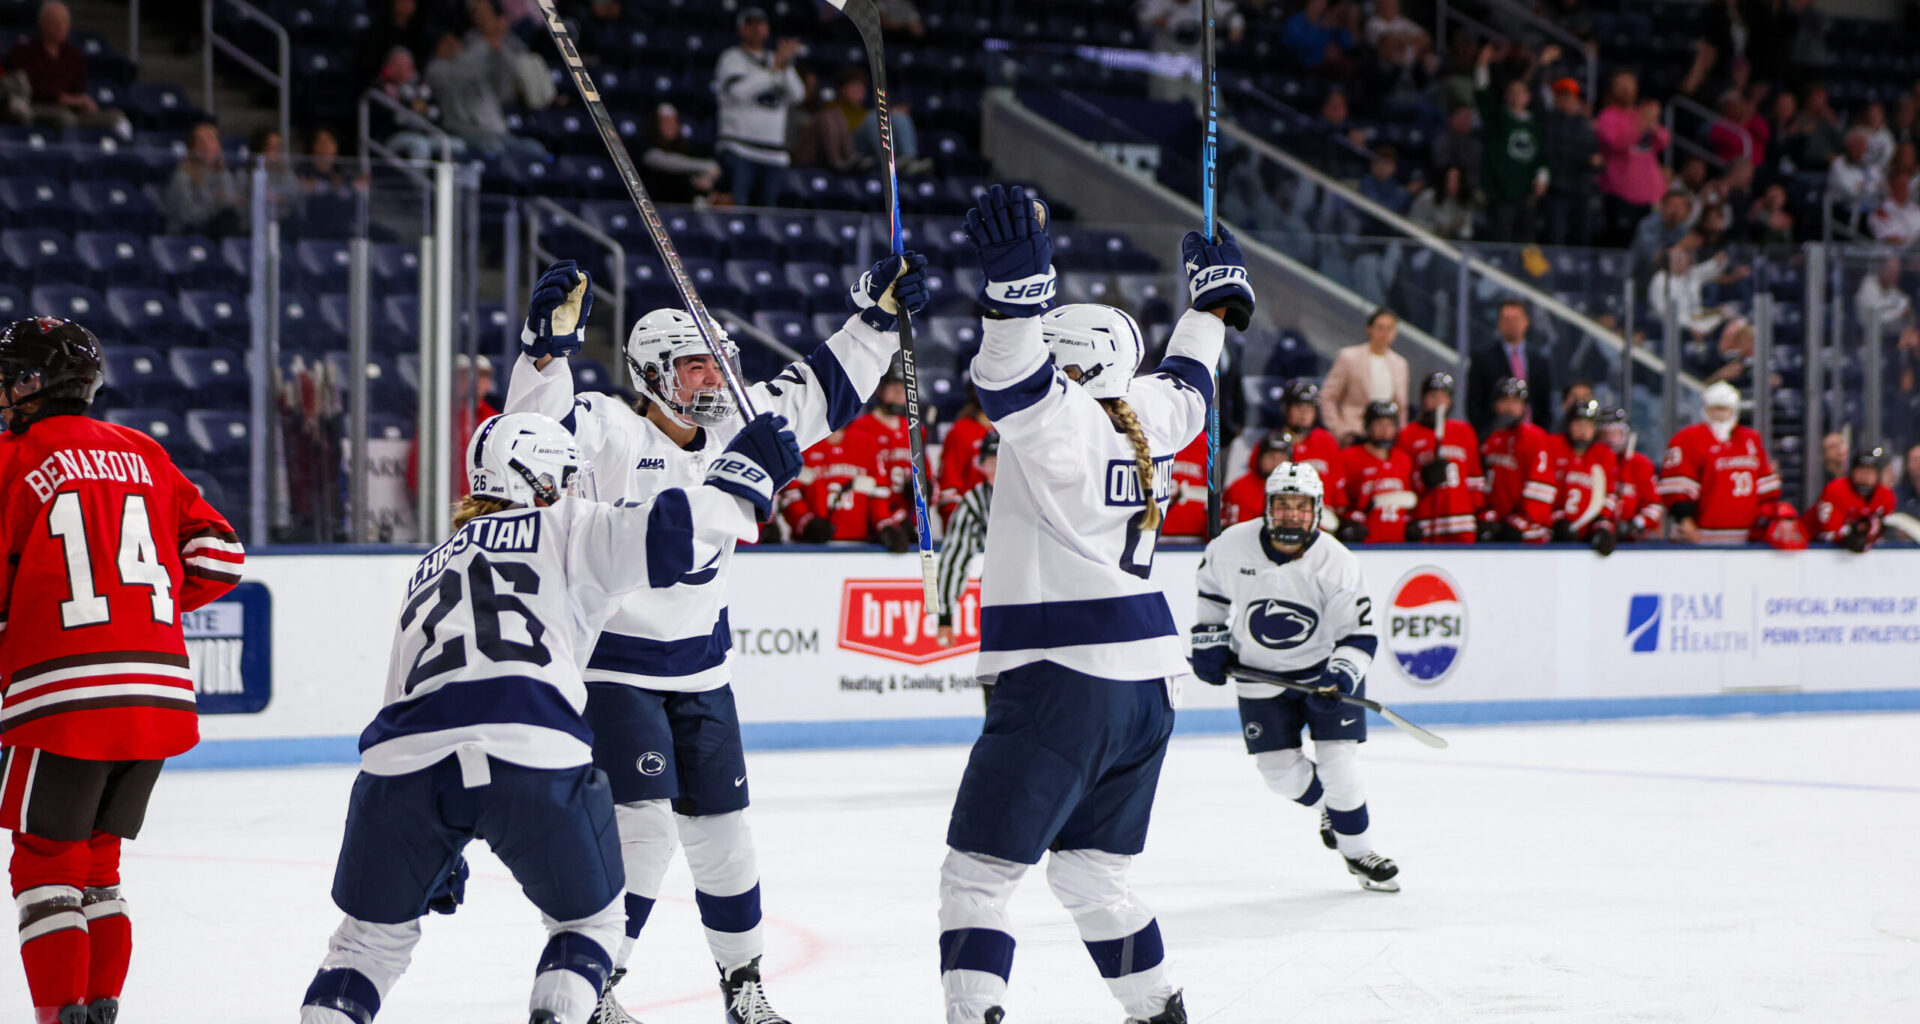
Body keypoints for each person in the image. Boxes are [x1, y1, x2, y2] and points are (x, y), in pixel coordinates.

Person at [504, 249, 928, 1024]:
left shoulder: (738, 423)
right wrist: (544, 356)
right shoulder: (606, 427)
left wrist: (875, 320)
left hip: (703, 669)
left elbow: (824, 389)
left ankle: (744, 986)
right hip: (615, 670)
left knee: (725, 836)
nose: (714, 378)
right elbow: (533, 434)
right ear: (650, 374)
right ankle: (596, 985)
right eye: (695, 365)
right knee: (641, 832)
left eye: (719, 361)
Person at [297, 411, 800, 1024]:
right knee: (591, 925)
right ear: (537, 481)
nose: (573, 488)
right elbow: (673, 529)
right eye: (565, 477)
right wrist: (743, 474)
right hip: (529, 747)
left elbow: (400, 691)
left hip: (402, 767)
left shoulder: (428, 566)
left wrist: (435, 827)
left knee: (364, 946)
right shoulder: (568, 526)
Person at [936, 184, 1253, 1024]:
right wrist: (1211, 303)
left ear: (1071, 367)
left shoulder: (1062, 424)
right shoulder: (1156, 415)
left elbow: (1009, 374)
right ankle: (1160, 1012)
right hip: (1146, 688)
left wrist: (1015, 292)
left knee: (977, 879)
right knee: (1091, 875)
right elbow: (1191, 375)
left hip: (1061, 679)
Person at [0, 317, 244, 1024]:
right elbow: (222, 557)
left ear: (34, 385)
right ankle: (100, 1010)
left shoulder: (14, 457)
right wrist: (139, 609)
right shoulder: (144, 451)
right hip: (157, 691)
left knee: (46, 864)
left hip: (62, 693)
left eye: (9, 379)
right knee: (98, 864)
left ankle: (59, 1015)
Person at [1189, 463, 1398, 891]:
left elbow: (1359, 635)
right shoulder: (1231, 545)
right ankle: (1332, 810)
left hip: (1323, 674)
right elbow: (1211, 593)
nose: (1291, 515)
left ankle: (1359, 854)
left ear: (1317, 510)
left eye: (1301, 507)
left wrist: (1340, 678)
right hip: (1258, 674)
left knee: (1340, 767)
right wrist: (1209, 640)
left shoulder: (1336, 562)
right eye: (1283, 505)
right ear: (1268, 507)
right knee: (1279, 774)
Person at [1659, 381, 1784, 545]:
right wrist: (1685, 521)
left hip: (1746, 537)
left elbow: (1766, 490)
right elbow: (1676, 486)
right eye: (1715, 409)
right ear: (1705, 409)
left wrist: (1766, 520)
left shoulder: (1751, 439)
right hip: (1699, 536)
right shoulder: (1687, 439)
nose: (1719, 414)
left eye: (1724, 409)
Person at [714, 8, 804, 208]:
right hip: (740, 149)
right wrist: (774, 70)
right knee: (736, 213)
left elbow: (798, 95)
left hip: (774, 154)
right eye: (751, 24)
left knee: (767, 217)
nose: (756, 29)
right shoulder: (732, 58)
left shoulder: (776, 60)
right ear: (741, 29)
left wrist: (785, 65)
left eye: (761, 24)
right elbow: (739, 92)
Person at [4, 2, 130, 136]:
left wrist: (83, 104)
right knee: (64, 117)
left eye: (65, 22)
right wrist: (65, 99)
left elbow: (79, 89)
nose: (61, 26)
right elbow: (30, 88)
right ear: (43, 24)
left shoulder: (74, 56)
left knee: (116, 117)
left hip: (72, 111)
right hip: (37, 107)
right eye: (56, 22)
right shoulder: (25, 52)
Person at [424, 31, 546, 161]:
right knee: (494, 149)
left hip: (497, 132)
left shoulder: (474, 66)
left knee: (534, 148)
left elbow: (504, 85)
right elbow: (463, 74)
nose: (456, 45)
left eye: (456, 42)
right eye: (449, 43)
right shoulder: (436, 69)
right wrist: (484, 45)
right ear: (439, 46)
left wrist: (499, 52)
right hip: (466, 130)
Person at [933, 430, 997, 671]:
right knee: (997, 668)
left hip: (1044, 594)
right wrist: (945, 616)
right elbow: (954, 558)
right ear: (981, 466)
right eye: (991, 462)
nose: (997, 469)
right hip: (1005, 595)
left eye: (1002, 461)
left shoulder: (1034, 492)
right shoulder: (975, 502)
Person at [1397, 371, 1483, 543]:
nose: (1438, 402)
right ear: (1423, 399)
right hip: (1426, 519)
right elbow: (1403, 479)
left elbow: (1474, 477)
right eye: (1433, 396)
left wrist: (1480, 513)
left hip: (1461, 520)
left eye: (1444, 396)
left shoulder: (1465, 431)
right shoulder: (1407, 435)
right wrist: (1422, 480)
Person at [1474, 52, 1547, 243]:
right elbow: (1483, 96)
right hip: (1501, 192)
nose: (1516, 96)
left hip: (1525, 192)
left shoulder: (1534, 125)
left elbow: (1541, 156)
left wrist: (1542, 177)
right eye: (1512, 91)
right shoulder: (1498, 119)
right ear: (1506, 95)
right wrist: (1482, 66)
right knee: (1502, 238)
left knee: (1526, 239)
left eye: (1520, 92)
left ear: (1528, 97)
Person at [777, 421, 889, 543]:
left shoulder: (867, 442)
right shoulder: (802, 442)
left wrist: (884, 526)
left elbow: (878, 493)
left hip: (857, 541)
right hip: (810, 543)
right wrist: (806, 522)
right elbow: (789, 492)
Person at [1594, 71, 1669, 246]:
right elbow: (1615, 143)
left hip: (1650, 192)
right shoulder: (1608, 116)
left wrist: (1653, 124)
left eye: (1630, 84)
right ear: (1612, 89)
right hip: (1621, 192)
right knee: (1621, 243)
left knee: (1648, 244)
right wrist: (1642, 123)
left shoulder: (1641, 113)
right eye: (1621, 85)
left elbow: (1663, 141)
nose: (1626, 89)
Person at [845, 371, 916, 552]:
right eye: (893, 388)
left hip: (908, 523)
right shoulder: (861, 429)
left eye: (903, 389)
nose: (899, 394)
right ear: (879, 390)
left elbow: (928, 476)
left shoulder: (915, 430)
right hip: (873, 525)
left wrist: (925, 489)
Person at [1478, 377, 1555, 542]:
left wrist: (1520, 522)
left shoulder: (1534, 437)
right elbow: (1486, 486)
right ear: (1495, 405)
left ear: (1524, 407)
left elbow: (1541, 487)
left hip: (1529, 534)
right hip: (1499, 528)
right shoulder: (1490, 440)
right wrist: (1488, 518)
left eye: (1515, 402)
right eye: (1504, 400)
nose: (1509, 407)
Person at [1318, 308, 1409, 445]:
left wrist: (1398, 434)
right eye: (1380, 327)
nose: (1385, 333)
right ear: (1369, 329)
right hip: (1354, 433)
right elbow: (1327, 396)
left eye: (1389, 328)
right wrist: (1339, 430)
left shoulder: (1400, 364)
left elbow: (1401, 407)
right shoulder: (1349, 357)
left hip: (1386, 438)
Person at [1467, 299, 1553, 435]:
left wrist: (1539, 435)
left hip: (1531, 437)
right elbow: (1474, 405)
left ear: (1526, 322)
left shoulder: (1539, 362)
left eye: (1515, 319)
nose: (1511, 324)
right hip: (1494, 437)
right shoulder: (1482, 359)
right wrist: (1488, 435)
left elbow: (1544, 406)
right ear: (1499, 323)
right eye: (1506, 319)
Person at [1336, 400, 1415, 544]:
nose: (1385, 430)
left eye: (1389, 425)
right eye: (1379, 424)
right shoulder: (1349, 457)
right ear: (1367, 426)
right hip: (1364, 542)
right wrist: (1349, 521)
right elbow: (1340, 502)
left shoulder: (1403, 459)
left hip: (1399, 543)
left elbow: (1410, 500)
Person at [1547, 399, 1619, 554]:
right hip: (1553, 530)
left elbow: (1609, 494)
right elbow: (1545, 491)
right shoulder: (1553, 447)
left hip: (1587, 530)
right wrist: (1557, 520)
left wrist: (1601, 524)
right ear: (1568, 425)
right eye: (1578, 423)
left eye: (1588, 424)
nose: (1583, 430)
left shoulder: (1604, 455)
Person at [1279, 379, 1348, 526]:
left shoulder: (1326, 441)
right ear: (1286, 409)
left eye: (1309, 408)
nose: (1304, 413)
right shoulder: (1273, 445)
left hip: (1324, 521)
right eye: (1298, 407)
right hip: (1287, 520)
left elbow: (1339, 488)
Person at [164, 121, 247, 238]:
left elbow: (231, 202)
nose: (208, 146)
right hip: (189, 233)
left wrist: (237, 203)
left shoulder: (223, 173)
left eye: (212, 140)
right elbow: (187, 216)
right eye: (202, 142)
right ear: (193, 148)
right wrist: (216, 203)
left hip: (220, 229)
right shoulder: (183, 177)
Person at [1804, 446, 1895, 551]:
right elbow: (1830, 530)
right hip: (1812, 545)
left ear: (1878, 475)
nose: (1865, 476)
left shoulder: (1885, 495)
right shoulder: (1835, 489)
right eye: (1861, 470)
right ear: (1852, 472)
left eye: (1870, 471)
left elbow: (1886, 529)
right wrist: (1852, 534)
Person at [1599, 407, 1663, 541]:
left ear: (1625, 435)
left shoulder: (1640, 464)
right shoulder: (1593, 461)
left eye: (1615, 434)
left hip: (1633, 542)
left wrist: (1635, 524)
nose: (1610, 440)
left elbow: (1654, 507)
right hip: (1598, 536)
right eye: (1605, 434)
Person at [639, 103, 721, 206]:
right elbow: (664, 161)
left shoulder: (683, 147)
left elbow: (712, 168)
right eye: (666, 122)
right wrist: (704, 166)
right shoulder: (645, 144)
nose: (671, 126)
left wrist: (701, 179)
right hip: (656, 204)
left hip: (684, 205)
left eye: (674, 121)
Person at [936, 390, 992, 520]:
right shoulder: (961, 431)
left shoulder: (1010, 431)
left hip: (1003, 518)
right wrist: (959, 519)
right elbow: (949, 485)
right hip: (971, 521)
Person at [1224, 429, 1295, 526]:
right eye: (1271, 457)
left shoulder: (1299, 490)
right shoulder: (1239, 488)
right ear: (1260, 458)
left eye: (1282, 458)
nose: (1276, 463)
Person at [1409, 164, 1475, 239]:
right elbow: (1413, 224)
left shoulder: (1465, 202)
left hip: (1451, 243)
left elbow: (1467, 232)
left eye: (1457, 181)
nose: (1453, 185)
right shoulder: (1428, 197)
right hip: (1426, 241)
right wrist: (1436, 228)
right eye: (1450, 180)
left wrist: (1458, 228)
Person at [1870, 172, 1920, 246]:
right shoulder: (1880, 213)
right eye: (1899, 186)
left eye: (1905, 186)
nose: (1903, 190)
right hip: (1897, 251)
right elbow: (1889, 239)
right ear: (1890, 188)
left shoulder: (1916, 209)